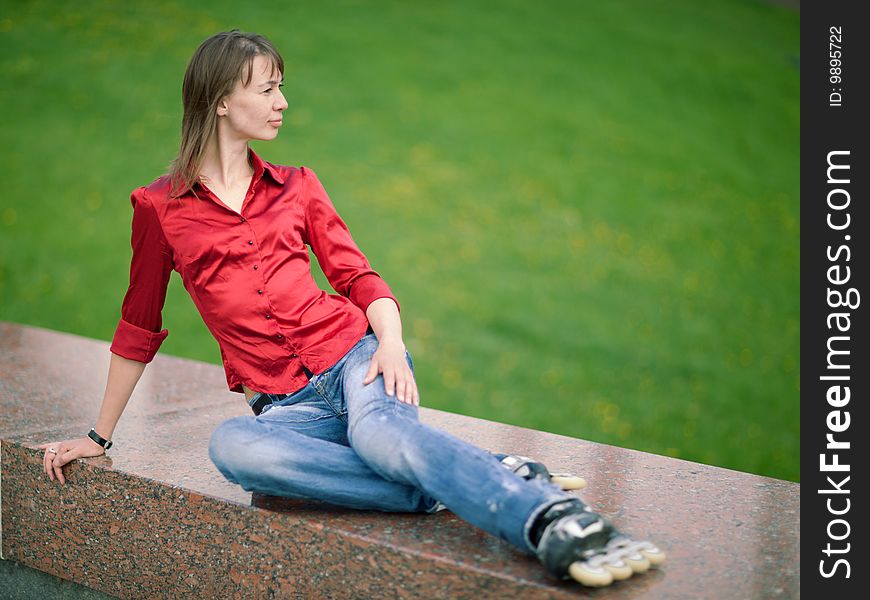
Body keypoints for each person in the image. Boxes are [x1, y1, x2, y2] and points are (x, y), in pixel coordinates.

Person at [38, 30, 663, 587]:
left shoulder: (299, 185)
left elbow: (357, 276)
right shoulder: (159, 208)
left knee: (377, 431)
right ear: (222, 101)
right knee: (235, 449)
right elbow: (138, 324)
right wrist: (99, 436)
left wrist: (389, 341)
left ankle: (549, 519)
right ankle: (466, 476)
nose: (283, 102)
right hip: (283, 407)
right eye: (269, 89)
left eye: (283, 88)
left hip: (355, 358)